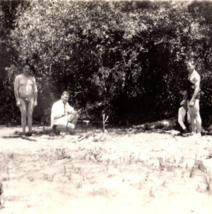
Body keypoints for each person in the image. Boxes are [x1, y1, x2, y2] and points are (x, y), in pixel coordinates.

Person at [14, 63, 38, 137]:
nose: (27, 70)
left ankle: (30, 131)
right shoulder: (18, 78)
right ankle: (23, 132)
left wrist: (35, 100)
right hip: (22, 98)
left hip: (31, 98)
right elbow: (15, 89)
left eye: (28, 68)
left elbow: (35, 90)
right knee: (24, 114)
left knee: (30, 114)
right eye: (25, 68)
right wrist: (17, 99)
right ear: (23, 69)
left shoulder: (32, 78)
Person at [186, 60, 202, 137]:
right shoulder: (189, 75)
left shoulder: (196, 75)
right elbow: (188, 88)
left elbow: (197, 88)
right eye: (187, 66)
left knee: (196, 114)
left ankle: (198, 133)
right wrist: (186, 98)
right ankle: (193, 131)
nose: (187, 68)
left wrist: (192, 99)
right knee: (191, 115)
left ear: (194, 66)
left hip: (195, 98)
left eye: (189, 66)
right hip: (189, 97)